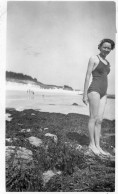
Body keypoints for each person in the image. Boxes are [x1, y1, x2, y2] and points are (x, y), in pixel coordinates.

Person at [83, 38, 115, 156]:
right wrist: (84, 94)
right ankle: (91, 144)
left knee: (100, 120)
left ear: (111, 49)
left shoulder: (108, 62)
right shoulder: (93, 58)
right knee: (93, 117)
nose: (106, 49)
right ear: (100, 46)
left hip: (104, 93)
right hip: (94, 90)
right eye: (104, 47)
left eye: (109, 48)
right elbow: (87, 76)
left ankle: (98, 146)